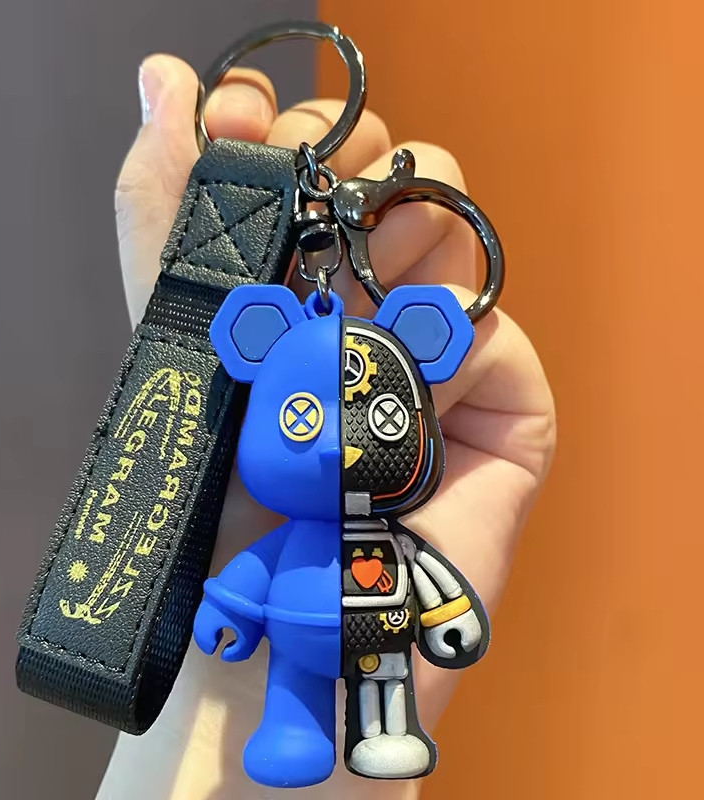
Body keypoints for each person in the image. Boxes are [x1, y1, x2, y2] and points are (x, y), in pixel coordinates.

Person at [97, 53, 556, 800]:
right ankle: (292, 728)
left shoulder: (387, 528)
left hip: (379, 642)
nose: (338, 443)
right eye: (302, 416)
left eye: (380, 418)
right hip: (288, 655)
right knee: (292, 699)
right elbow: (254, 569)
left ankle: (383, 732)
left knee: (384, 681)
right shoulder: (289, 522)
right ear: (251, 339)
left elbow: (429, 574)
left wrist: (449, 618)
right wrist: (221, 626)